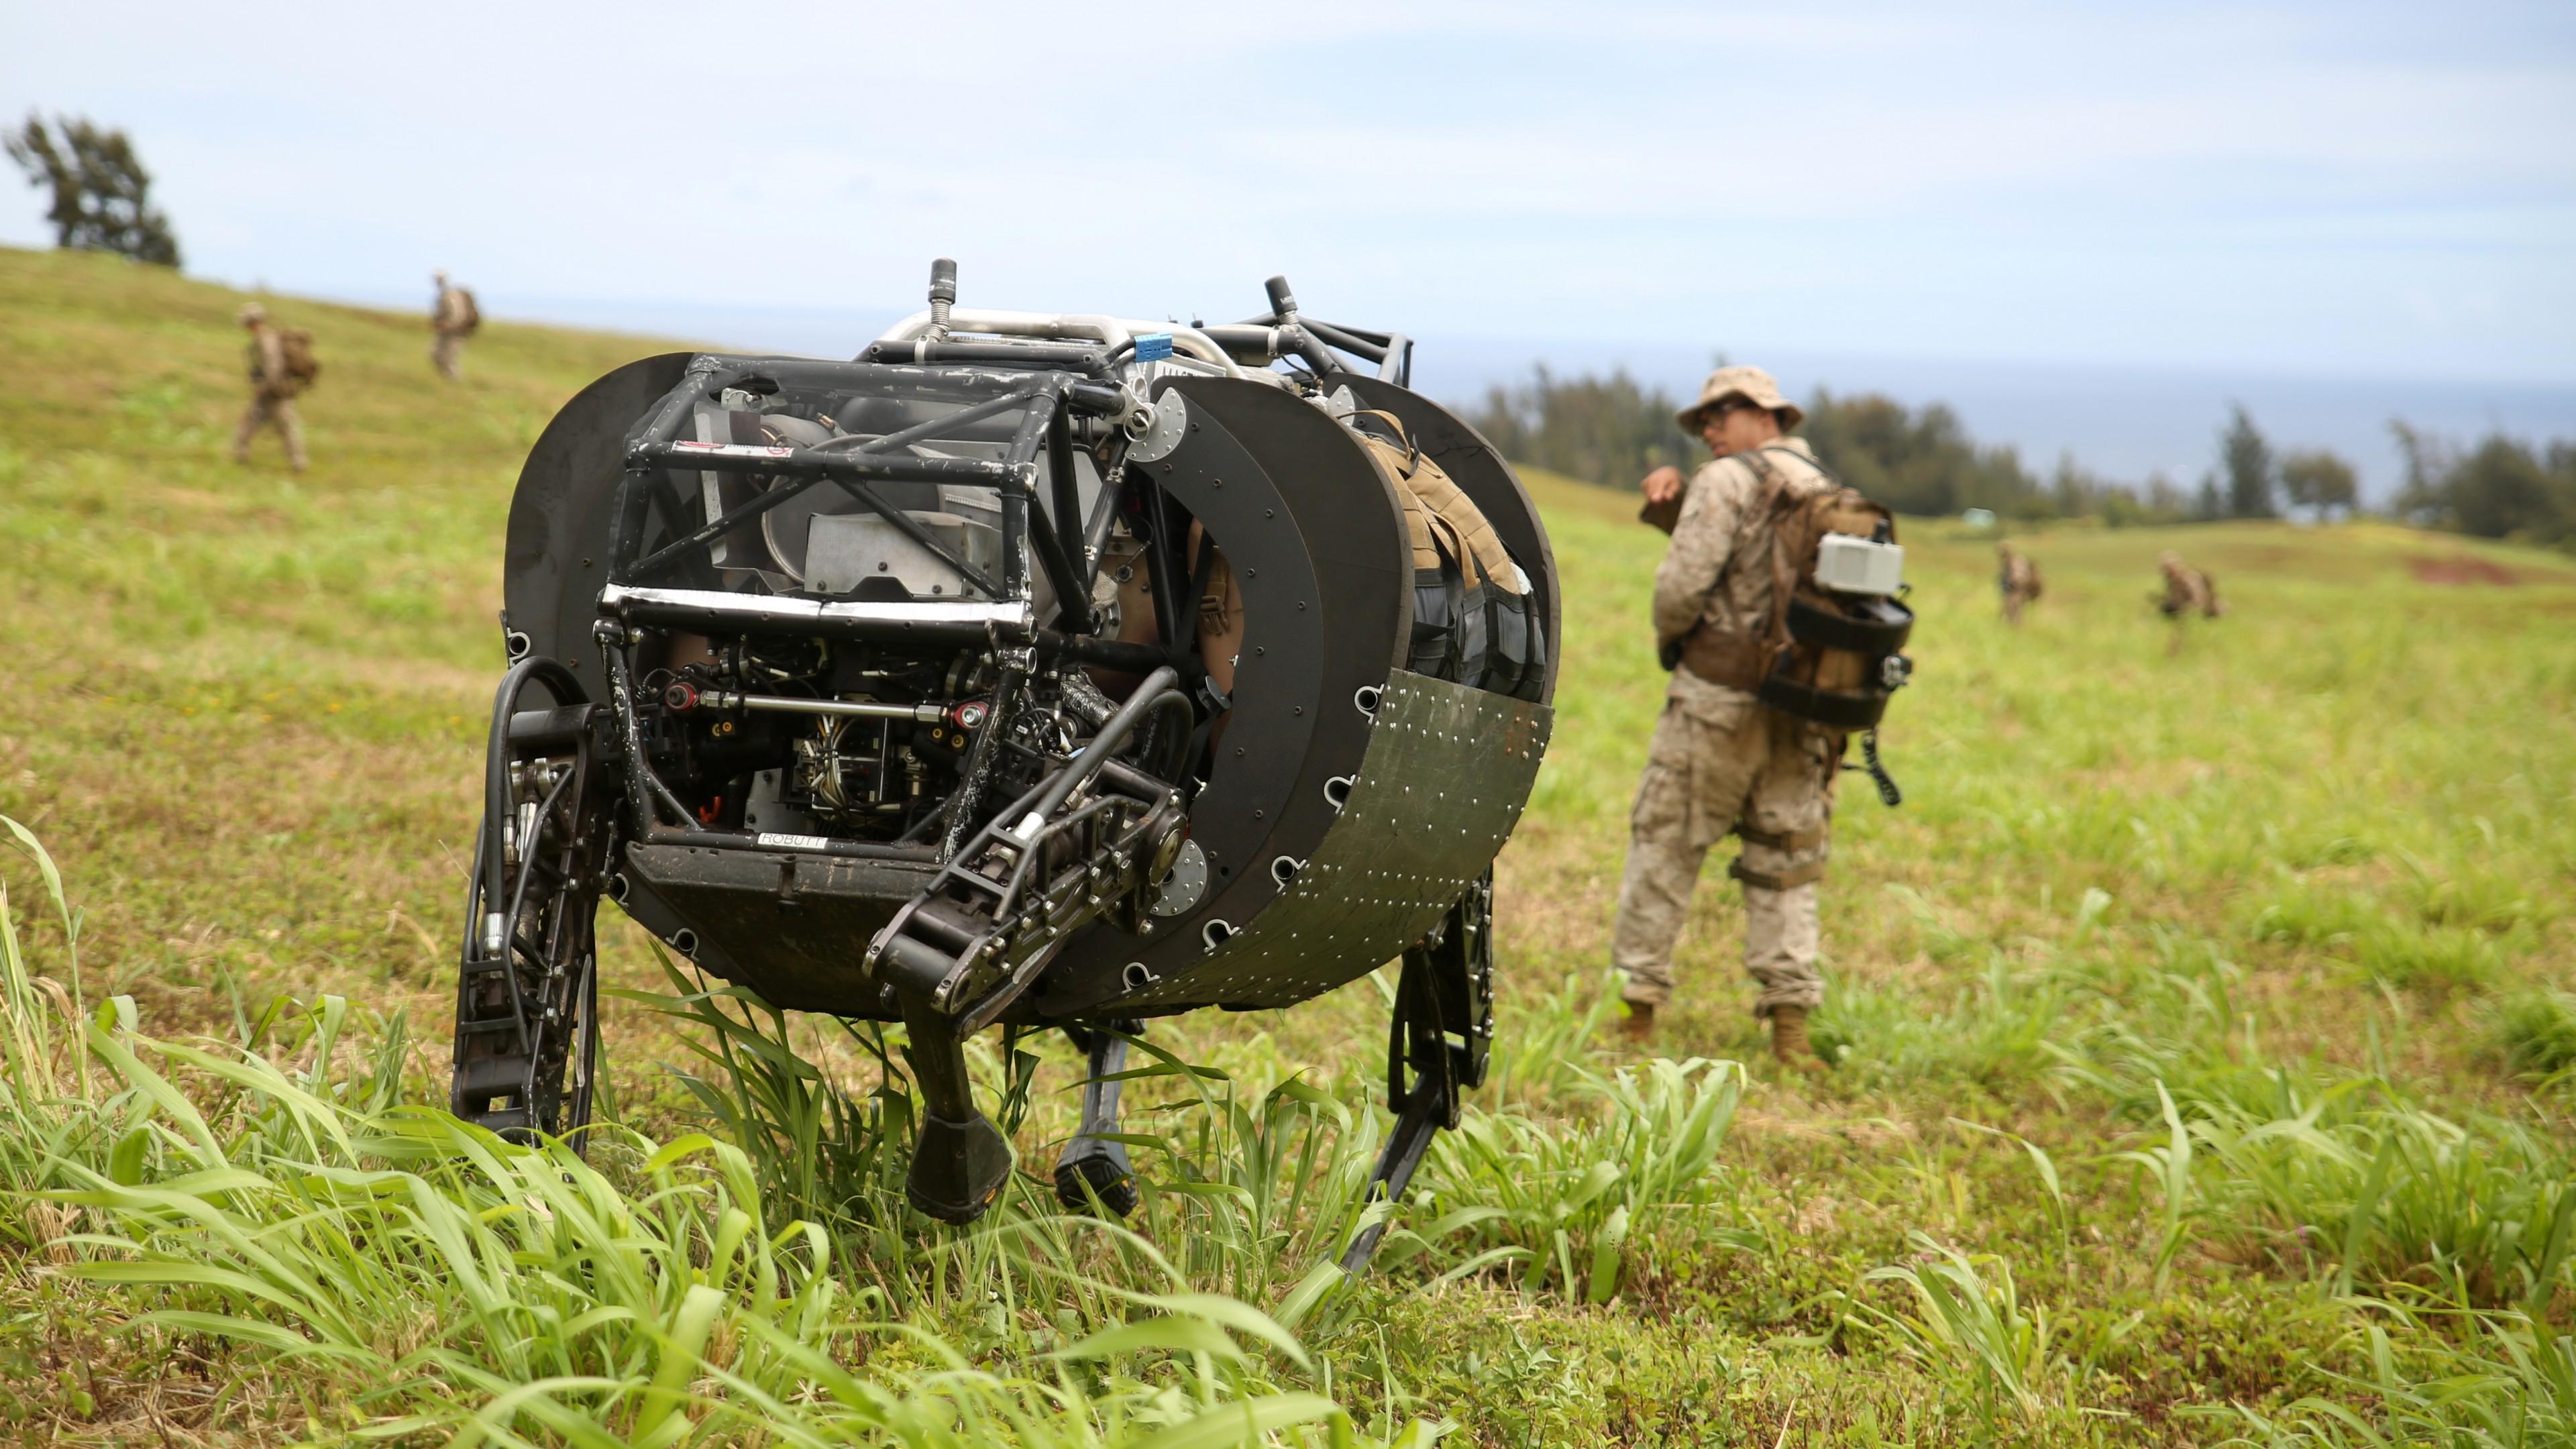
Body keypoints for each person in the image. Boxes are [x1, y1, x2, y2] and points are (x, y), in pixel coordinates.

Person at [1614, 365, 1843, 1072]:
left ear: (1760, 415)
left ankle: (1640, 1015)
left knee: (1666, 846)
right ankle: (1790, 1030)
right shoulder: (1828, 490)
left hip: (1713, 706)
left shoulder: (1724, 482)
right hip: (1804, 711)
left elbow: (1681, 592)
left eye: (1719, 415)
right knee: (1787, 862)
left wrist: (1677, 638)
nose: (1709, 430)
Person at [229, 303, 308, 473]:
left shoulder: (267, 340)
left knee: (285, 427)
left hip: (274, 394)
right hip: (272, 393)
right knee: (251, 423)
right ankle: (240, 453)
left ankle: (298, 464)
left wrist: (263, 387)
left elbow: (274, 367)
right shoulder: (266, 338)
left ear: (252, 322)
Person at [2153, 551, 2222, 653]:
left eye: (2168, 569)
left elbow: (2199, 600)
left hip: (2206, 615)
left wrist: (2184, 612)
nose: (2166, 572)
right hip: (2189, 615)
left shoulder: (2190, 579)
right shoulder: (2173, 582)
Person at [430, 270, 479, 380]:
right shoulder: (445, 294)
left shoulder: (450, 295)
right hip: (447, 332)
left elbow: (458, 315)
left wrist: (447, 325)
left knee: (449, 360)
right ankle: (446, 382)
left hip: (455, 333)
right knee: (437, 356)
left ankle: (455, 383)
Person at [1998, 543, 2043, 624]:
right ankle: (2011, 626)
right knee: (2013, 609)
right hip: (2017, 589)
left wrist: (2010, 585)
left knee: (2014, 609)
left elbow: (2017, 578)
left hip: (2017, 589)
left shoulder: (2015, 562)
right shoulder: (2015, 561)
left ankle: (2014, 627)